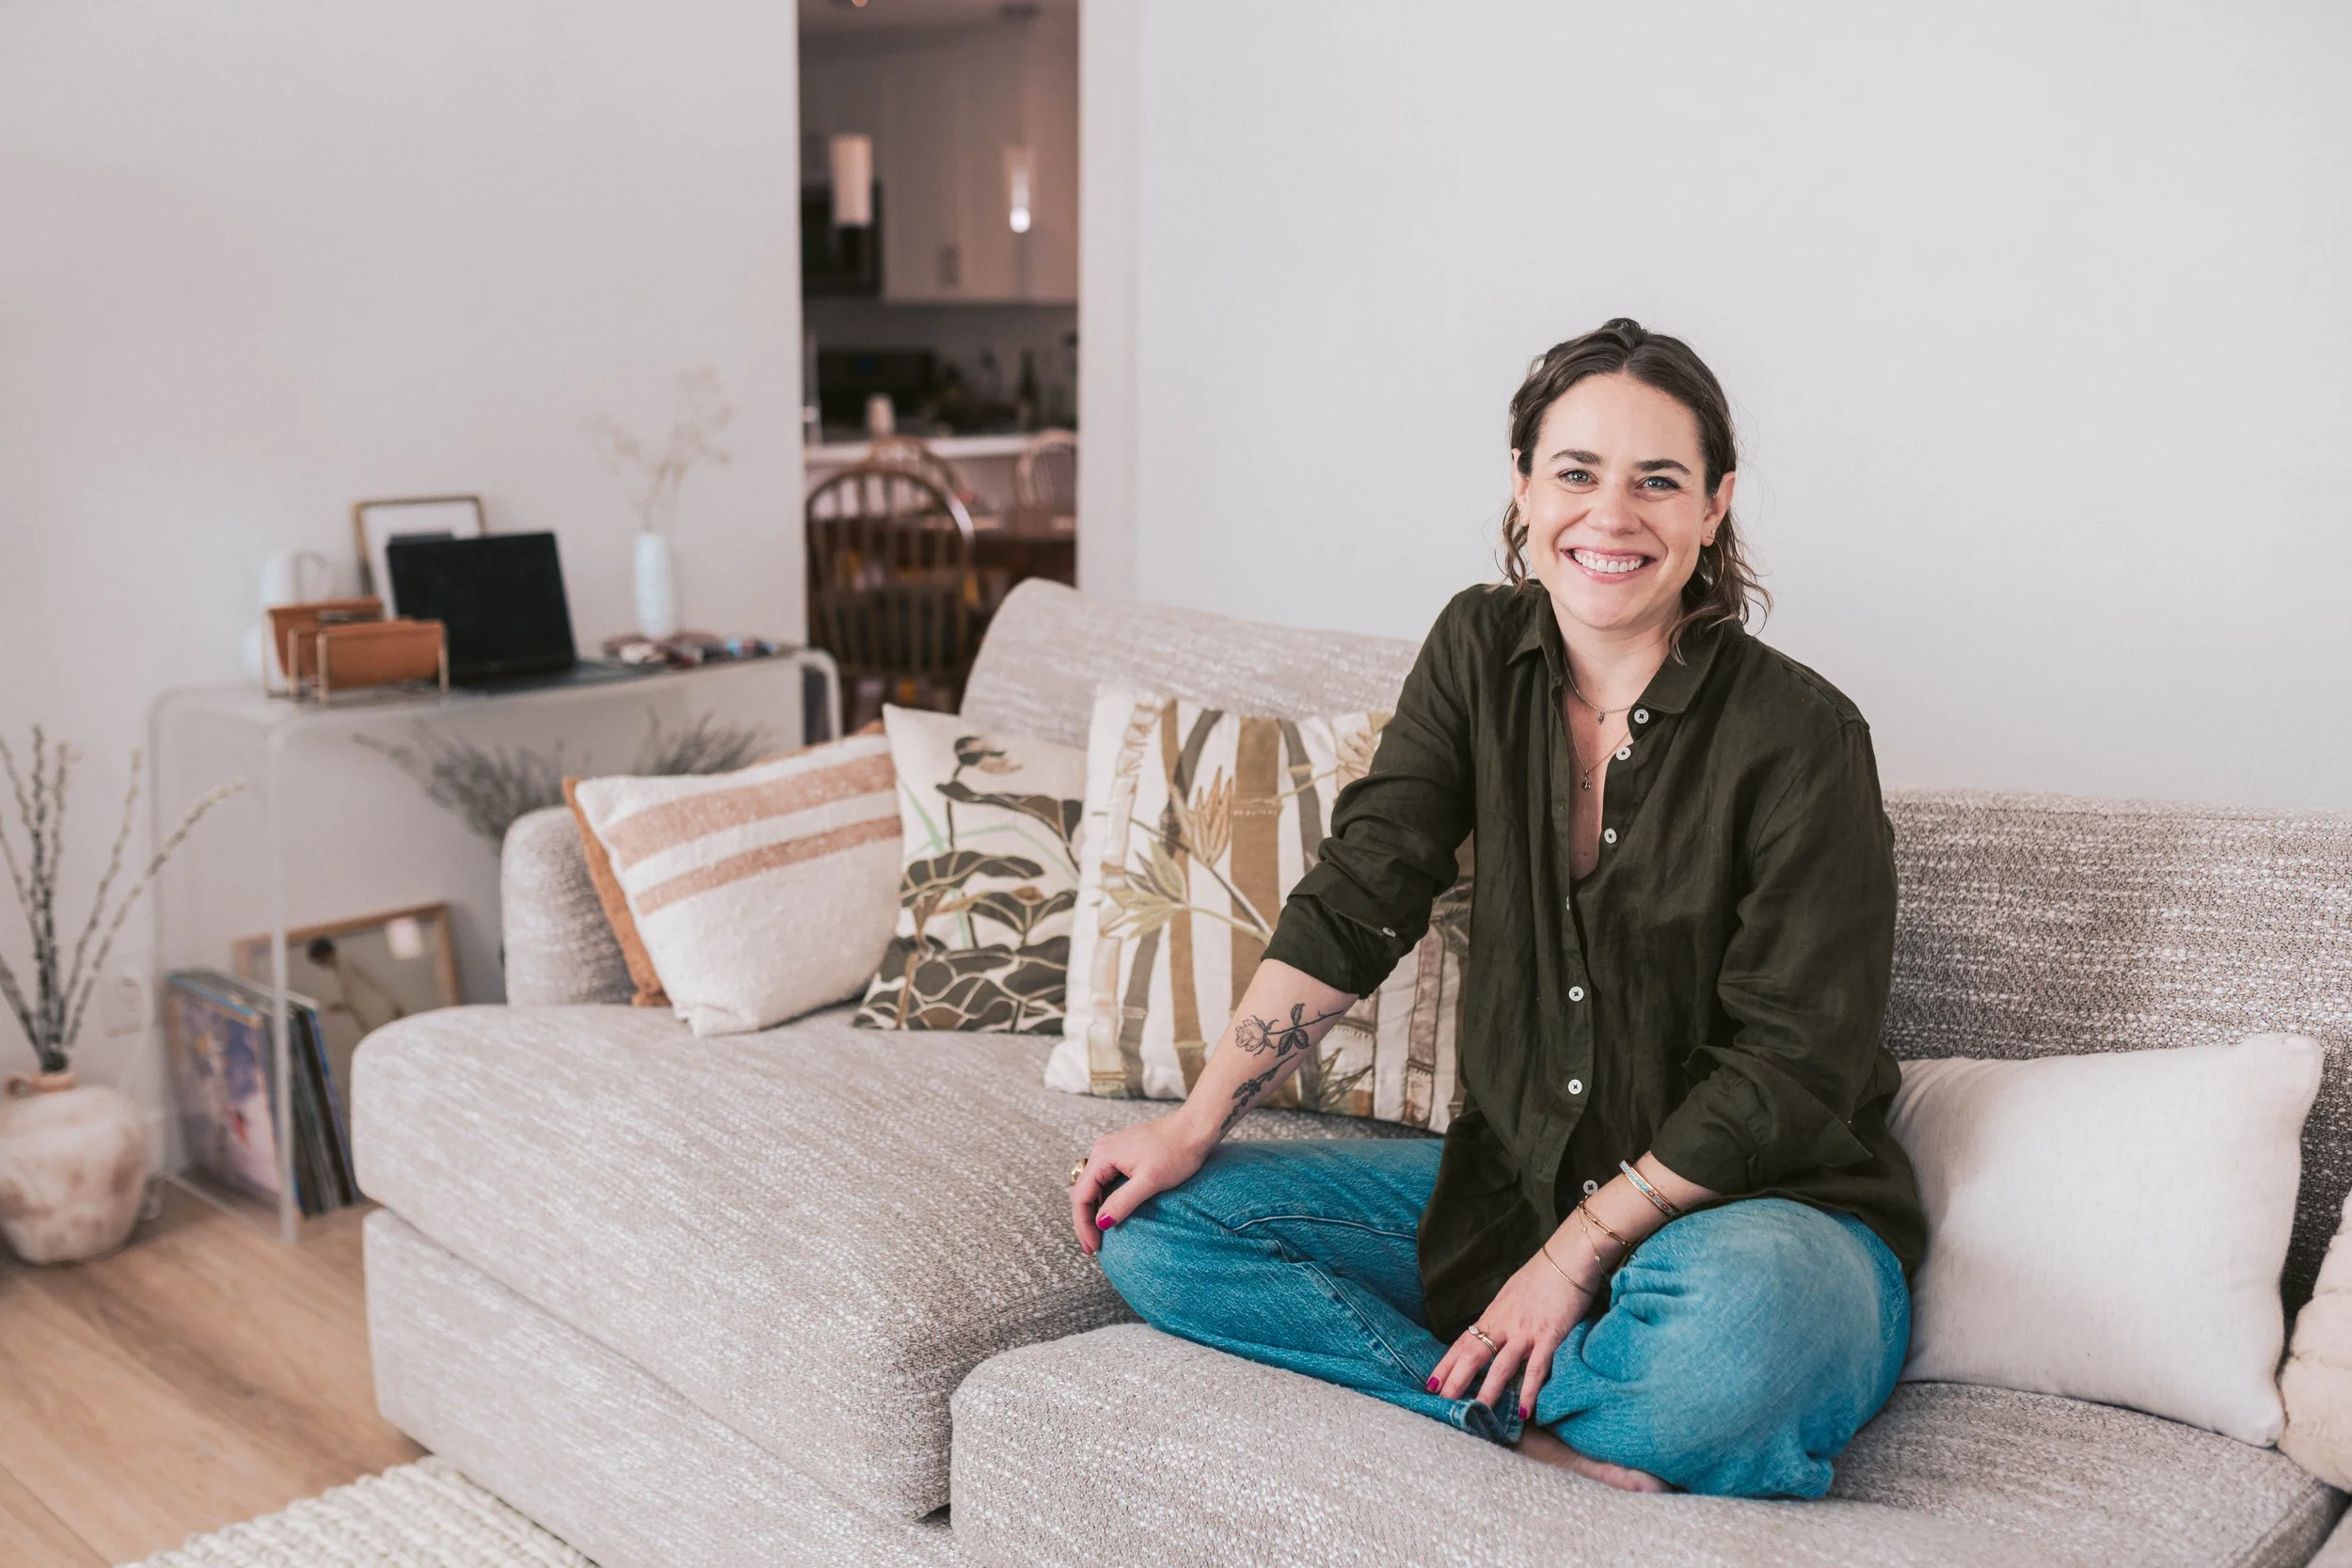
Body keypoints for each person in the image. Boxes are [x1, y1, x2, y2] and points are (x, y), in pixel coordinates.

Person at [1067, 318, 1922, 1498]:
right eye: (1575, 472)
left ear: (1714, 505)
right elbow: (1364, 891)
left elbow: (1790, 1066)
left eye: (1656, 481)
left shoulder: (1803, 735)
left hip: (1761, 1218)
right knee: (1156, 1226)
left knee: (1732, 1342)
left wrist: (1570, 1261)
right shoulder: (1478, 648)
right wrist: (1194, 1122)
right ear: (1522, 488)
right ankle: (1510, 1422)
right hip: (1512, 1185)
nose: (1609, 515)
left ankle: (1578, 1379)